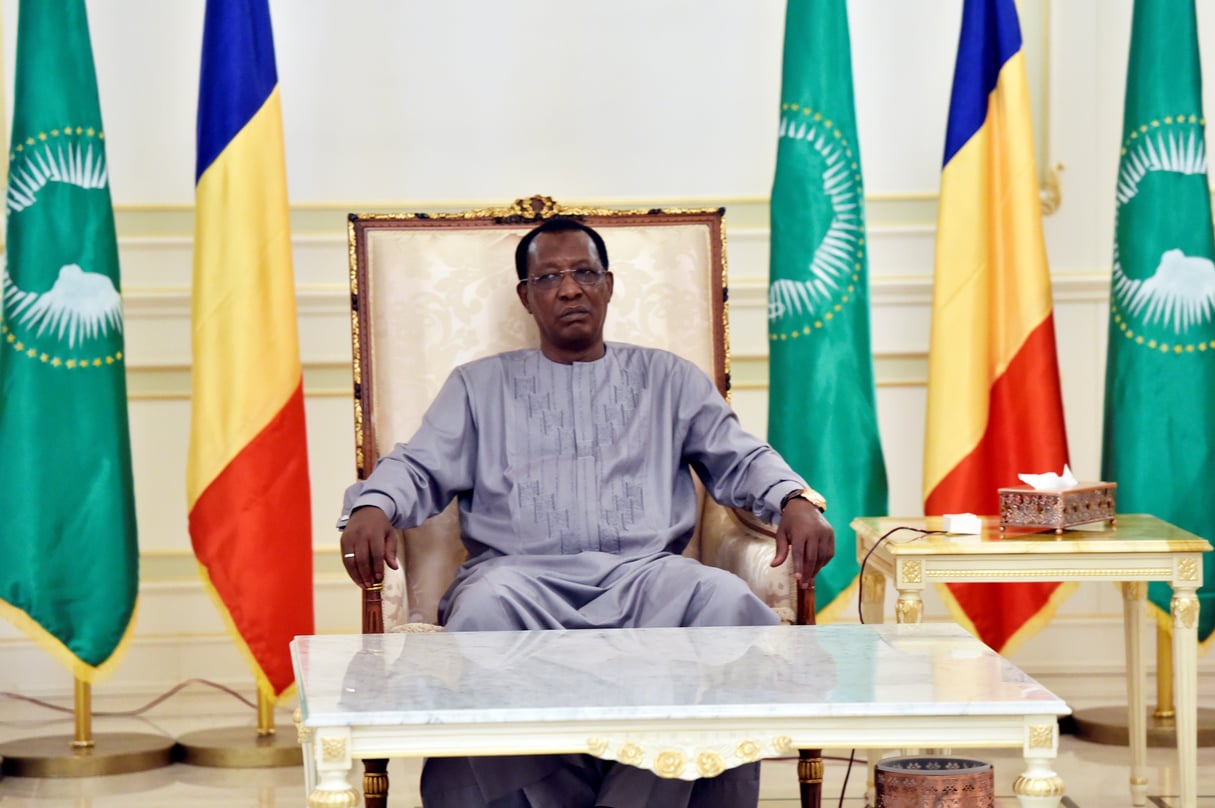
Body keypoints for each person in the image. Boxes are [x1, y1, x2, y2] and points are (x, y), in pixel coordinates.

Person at [338, 216, 834, 808]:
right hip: (520, 580)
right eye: (549, 277)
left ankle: (635, 796)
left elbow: (740, 455)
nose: (569, 289)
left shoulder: (669, 378)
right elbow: (417, 465)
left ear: (609, 285)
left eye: (584, 273)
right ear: (526, 295)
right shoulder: (477, 386)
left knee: (727, 604)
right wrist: (372, 503)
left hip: (649, 577)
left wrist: (793, 498)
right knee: (479, 619)